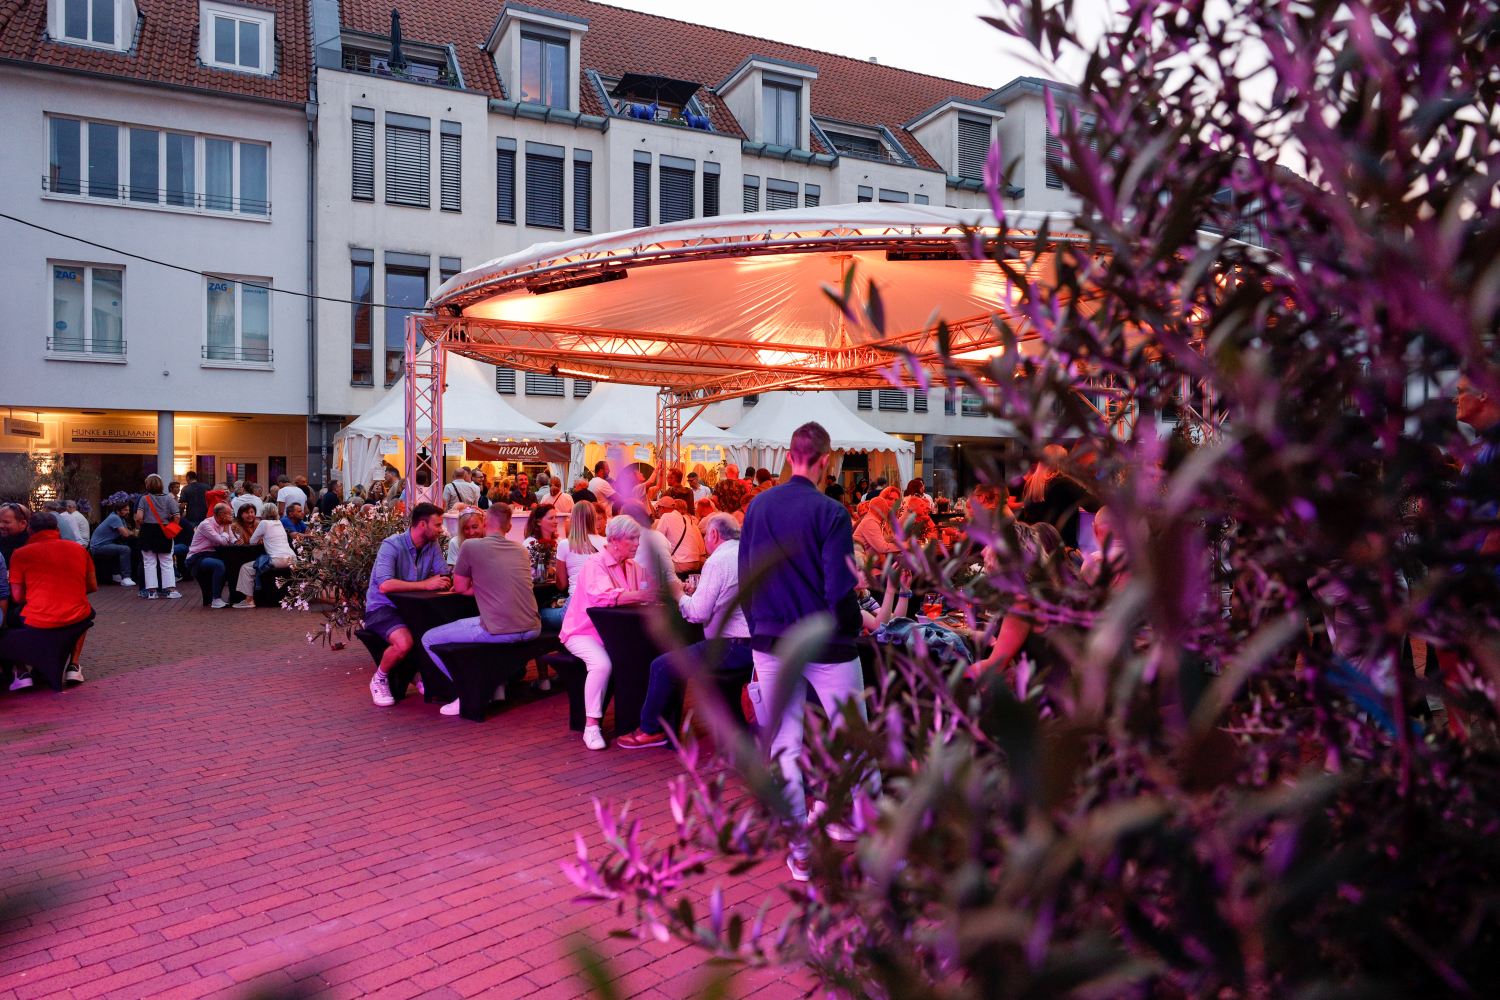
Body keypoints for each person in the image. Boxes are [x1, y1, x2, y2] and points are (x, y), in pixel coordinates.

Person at [739, 421, 872, 882]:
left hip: (771, 639)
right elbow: (838, 588)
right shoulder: (831, 511)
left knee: (785, 747)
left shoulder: (759, 506)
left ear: (789, 455)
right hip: (827, 642)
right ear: (825, 460)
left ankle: (800, 850)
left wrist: (757, 629)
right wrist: (852, 628)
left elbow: (747, 577)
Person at [618, 513, 754, 749]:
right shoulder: (746, 552)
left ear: (714, 534)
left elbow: (698, 613)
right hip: (754, 643)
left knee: (662, 666)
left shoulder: (718, 560)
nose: (704, 540)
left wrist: (679, 594)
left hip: (732, 645)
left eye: (705, 534)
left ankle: (651, 730)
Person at [421, 504, 542, 716]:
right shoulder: (521, 550)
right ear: (509, 526)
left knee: (428, 639)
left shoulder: (471, 546)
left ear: (485, 523)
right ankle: (493, 686)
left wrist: (484, 587)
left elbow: (460, 587)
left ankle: (467, 692)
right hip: (533, 628)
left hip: (500, 629)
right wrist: (492, 586)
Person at [559, 515, 656, 750]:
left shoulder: (632, 566)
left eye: (637, 538)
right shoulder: (595, 564)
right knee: (601, 664)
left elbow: (655, 585)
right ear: (614, 540)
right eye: (631, 538)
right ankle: (591, 726)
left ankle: (641, 722)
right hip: (583, 632)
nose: (637, 543)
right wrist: (642, 595)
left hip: (615, 636)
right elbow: (601, 596)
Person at [364, 502, 450, 707]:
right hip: (382, 608)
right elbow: (385, 585)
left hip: (412, 608)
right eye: (438, 525)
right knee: (404, 643)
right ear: (422, 524)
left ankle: (418, 674)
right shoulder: (392, 545)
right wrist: (426, 584)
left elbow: (444, 574)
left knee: (439, 633)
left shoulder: (432, 545)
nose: (441, 529)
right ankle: (379, 679)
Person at [4, 511, 97, 687]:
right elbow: (92, 586)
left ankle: (21, 671)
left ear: (30, 530)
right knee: (85, 613)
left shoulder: (20, 554)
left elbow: (17, 596)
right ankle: (74, 665)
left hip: (38, 618)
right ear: (57, 529)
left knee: (8, 620)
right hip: (75, 614)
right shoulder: (78, 549)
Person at [1019, 444, 1095, 548]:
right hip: (1060, 544)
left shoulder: (1031, 483)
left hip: (1036, 543)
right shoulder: (1063, 482)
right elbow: (1091, 504)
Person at [233, 502, 296, 608]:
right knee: (259, 564)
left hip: (278, 560)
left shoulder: (264, 523)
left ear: (263, 513)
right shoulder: (279, 522)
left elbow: (252, 541)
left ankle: (249, 600)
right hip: (292, 558)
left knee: (245, 568)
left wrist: (262, 537)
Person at [134, 474, 182, 599]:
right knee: (166, 561)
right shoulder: (169, 499)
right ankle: (170, 590)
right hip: (164, 531)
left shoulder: (144, 499)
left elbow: (139, 517)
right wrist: (172, 526)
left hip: (147, 531)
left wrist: (142, 523)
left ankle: (152, 591)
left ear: (147, 485)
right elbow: (177, 516)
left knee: (149, 562)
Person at [186, 503, 239, 608]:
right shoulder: (206, 525)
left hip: (213, 554)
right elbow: (222, 541)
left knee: (231, 564)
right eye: (229, 514)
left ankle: (234, 597)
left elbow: (231, 539)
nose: (231, 517)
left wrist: (237, 541)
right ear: (221, 514)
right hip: (197, 556)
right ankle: (216, 599)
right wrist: (226, 527)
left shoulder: (225, 523)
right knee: (219, 565)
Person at [524, 503, 567, 628]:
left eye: (555, 517)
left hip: (560, 591)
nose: (555, 521)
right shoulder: (530, 544)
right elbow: (529, 573)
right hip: (541, 595)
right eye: (551, 518)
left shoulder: (560, 542)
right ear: (538, 522)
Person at [90, 498, 137, 588]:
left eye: (128, 510)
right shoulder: (115, 518)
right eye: (125, 510)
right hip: (98, 547)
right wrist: (134, 533)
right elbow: (125, 533)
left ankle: (116, 574)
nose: (128, 512)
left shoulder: (120, 518)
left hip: (105, 544)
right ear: (118, 510)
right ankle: (126, 577)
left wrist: (130, 532)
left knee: (122, 547)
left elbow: (126, 531)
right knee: (125, 549)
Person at [655, 498, 706, 574]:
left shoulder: (666, 516)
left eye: (657, 508)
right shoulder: (685, 518)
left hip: (681, 562)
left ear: (661, 508)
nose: (657, 511)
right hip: (696, 562)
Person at [179, 471, 209, 537]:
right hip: (205, 516)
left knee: (192, 537)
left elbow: (182, 505)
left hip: (191, 518)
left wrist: (180, 515)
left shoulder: (185, 488)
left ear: (188, 477)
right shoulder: (206, 487)